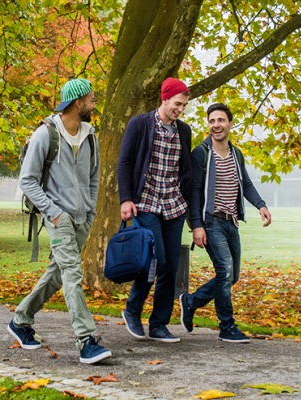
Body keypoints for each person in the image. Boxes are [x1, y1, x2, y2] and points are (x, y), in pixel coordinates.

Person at [7, 78, 111, 364]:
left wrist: (89, 211)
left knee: (57, 273)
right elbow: (27, 181)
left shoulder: (90, 136)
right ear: (78, 103)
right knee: (72, 276)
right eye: (91, 99)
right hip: (58, 218)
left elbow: (93, 178)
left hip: (82, 217)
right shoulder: (46, 134)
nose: (93, 103)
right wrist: (53, 212)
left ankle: (21, 320)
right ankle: (86, 340)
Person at [180, 103, 271, 343]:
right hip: (212, 222)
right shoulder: (202, 153)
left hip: (231, 222)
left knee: (233, 275)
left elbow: (247, 184)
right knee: (225, 271)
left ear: (230, 124)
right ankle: (227, 326)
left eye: (220, 120)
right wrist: (197, 225)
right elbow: (195, 191)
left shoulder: (235, 153)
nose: (216, 125)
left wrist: (260, 205)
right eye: (212, 121)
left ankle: (191, 301)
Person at [117, 77, 192, 343]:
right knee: (154, 259)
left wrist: (189, 209)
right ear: (165, 99)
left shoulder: (184, 131)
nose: (180, 110)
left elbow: (186, 171)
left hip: (173, 206)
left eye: (183, 106)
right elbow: (125, 162)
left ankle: (159, 324)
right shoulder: (140, 124)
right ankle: (132, 310)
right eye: (177, 104)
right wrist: (126, 199)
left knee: (171, 266)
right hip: (146, 202)